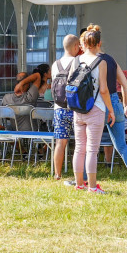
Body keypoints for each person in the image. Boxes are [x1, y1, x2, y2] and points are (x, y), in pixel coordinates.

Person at [68, 24, 115, 194]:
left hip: (78, 108)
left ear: (83, 44)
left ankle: (79, 184)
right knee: (92, 150)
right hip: (95, 108)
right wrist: (110, 109)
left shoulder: (76, 60)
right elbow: (103, 89)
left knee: (79, 147)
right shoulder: (101, 62)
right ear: (99, 43)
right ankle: (93, 187)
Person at [96, 56, 127, 191]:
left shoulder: (88, 59)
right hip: (115, 102)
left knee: (88, 145)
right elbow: (125, 84)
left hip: (97, 103)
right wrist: (126, 106)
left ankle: (83, 181)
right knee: (122, 146)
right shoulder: (111, 60)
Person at [52, 34, 79, 180]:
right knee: (80, 143)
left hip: (58, 108)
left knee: (60, 143)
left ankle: (57, 174)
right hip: (74, 108)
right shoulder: (77, 62)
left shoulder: (55, 64)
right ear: (75, 46)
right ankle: (79, 174)